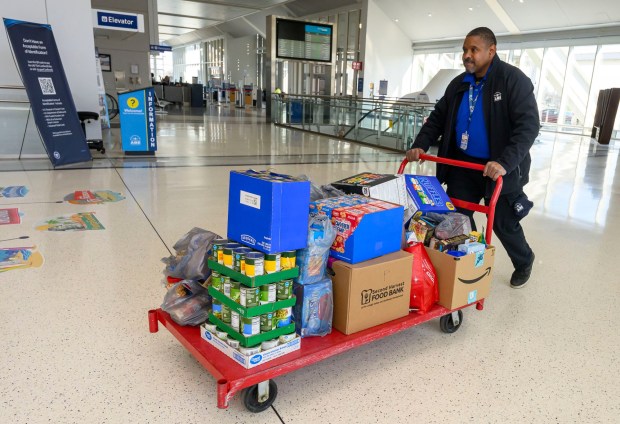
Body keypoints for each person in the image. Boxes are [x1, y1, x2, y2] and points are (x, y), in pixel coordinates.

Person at [406, 27, 538, 289]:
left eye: (473, 50)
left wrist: (504, 162)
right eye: (465, 50)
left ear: (492, 50)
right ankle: (470, 260)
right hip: (464, 166)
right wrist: (420, 145)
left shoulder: (512, 80)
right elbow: (438, 118)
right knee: (459, 219)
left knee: (502, 222)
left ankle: (524, 260)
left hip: (499, 168)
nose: (467, 55)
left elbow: (529, 126)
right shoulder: (459, 84)